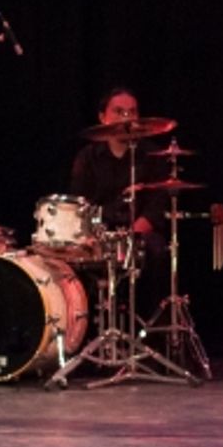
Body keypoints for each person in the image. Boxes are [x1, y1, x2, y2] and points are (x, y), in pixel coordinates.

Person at [68, 87, 169, 310]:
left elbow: (156, 208)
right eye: (119, 111)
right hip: (99, 234)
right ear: (102, 117)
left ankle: (147, 327)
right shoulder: (87, 158)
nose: (126, 118)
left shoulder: (153, 156)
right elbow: (81, 205)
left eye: (132, 112)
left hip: (139, 234)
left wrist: (131, 236)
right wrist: (96, 235)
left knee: (157, 250)